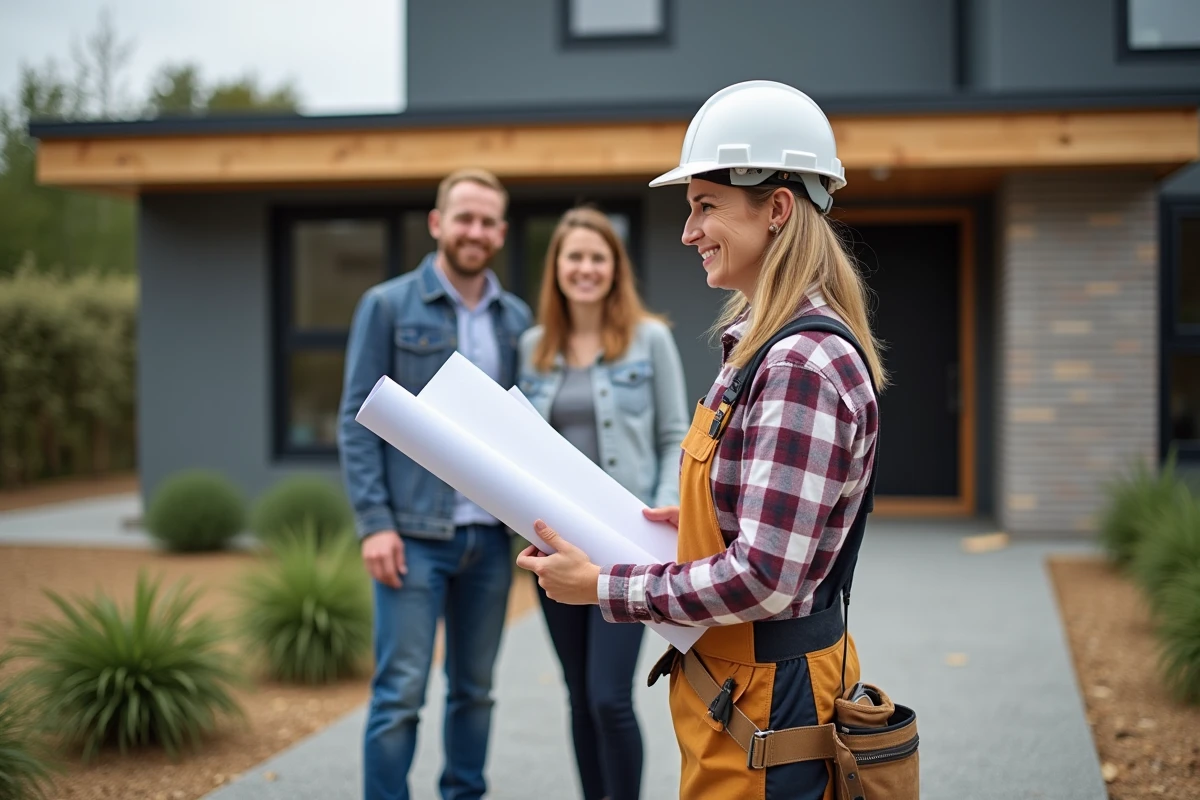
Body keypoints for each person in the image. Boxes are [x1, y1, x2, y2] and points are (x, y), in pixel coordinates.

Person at [515, 80, 887, 800]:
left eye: (705, 206)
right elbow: (760, 525)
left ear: (777, 209)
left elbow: (767, 578)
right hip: (737, 692)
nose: (688, 232)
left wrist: (603, 586)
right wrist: (692, 522)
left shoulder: (800, 364)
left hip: (771, 698)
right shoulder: (759, 346)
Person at [338, 167, 533, 800]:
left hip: (489, 541)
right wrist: (375, 523)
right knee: (400, 695)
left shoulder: (516, 319)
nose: (475, 231)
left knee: (475, 693)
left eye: (487, 221)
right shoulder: (388, 305)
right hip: (414, 538)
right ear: (437, 223)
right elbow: (356, 418)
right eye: (464, 218)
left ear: (500, 232)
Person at [516, 207, 690, 800]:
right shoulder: (533, 348)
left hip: (625, 546)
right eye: (575, 258)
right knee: (578, 697)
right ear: (557, 269)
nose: (586, 268)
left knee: (609, 697)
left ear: (615, 268)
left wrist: (665, 513)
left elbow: (676, 436)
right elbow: (521, 449)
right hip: (556, 544)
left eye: (598, 257)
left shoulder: (651, 339)